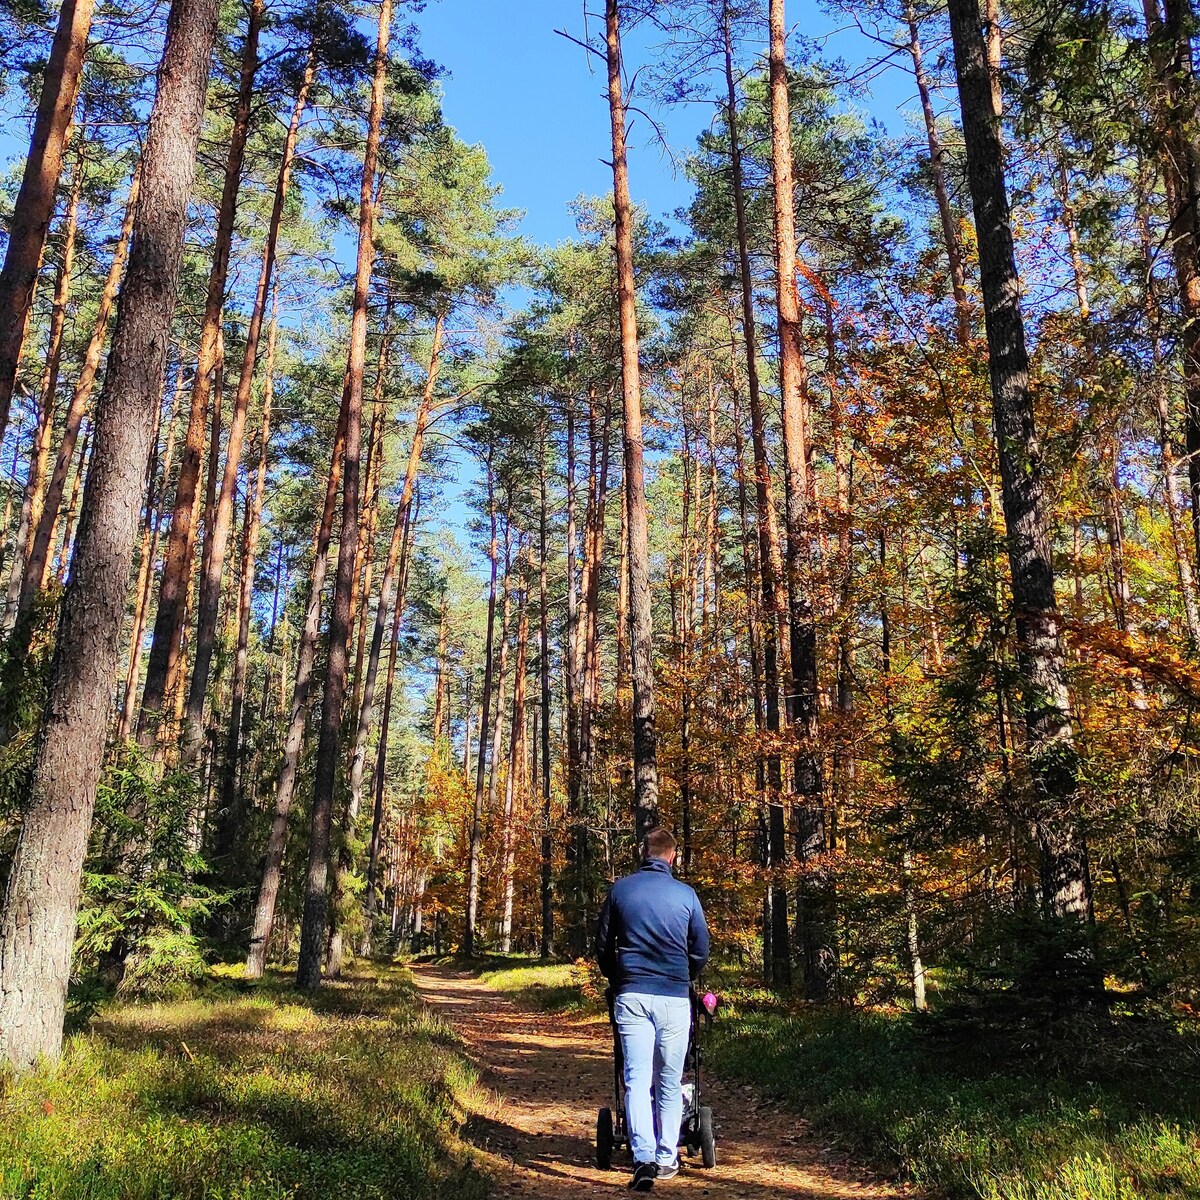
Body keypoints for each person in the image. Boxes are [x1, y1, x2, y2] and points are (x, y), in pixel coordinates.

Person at [596, 826, 710, 1191]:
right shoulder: (686, 895)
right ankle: (666, 1157)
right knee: (669, 1079)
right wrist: (683, 976)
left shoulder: (620, 890)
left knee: (635, 1078)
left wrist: (619, 979)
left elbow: (602, 946)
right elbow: (701, 948)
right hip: (674, 998)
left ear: (642, 853)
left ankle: (642, 1156)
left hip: (632, 995)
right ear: (672, 856)